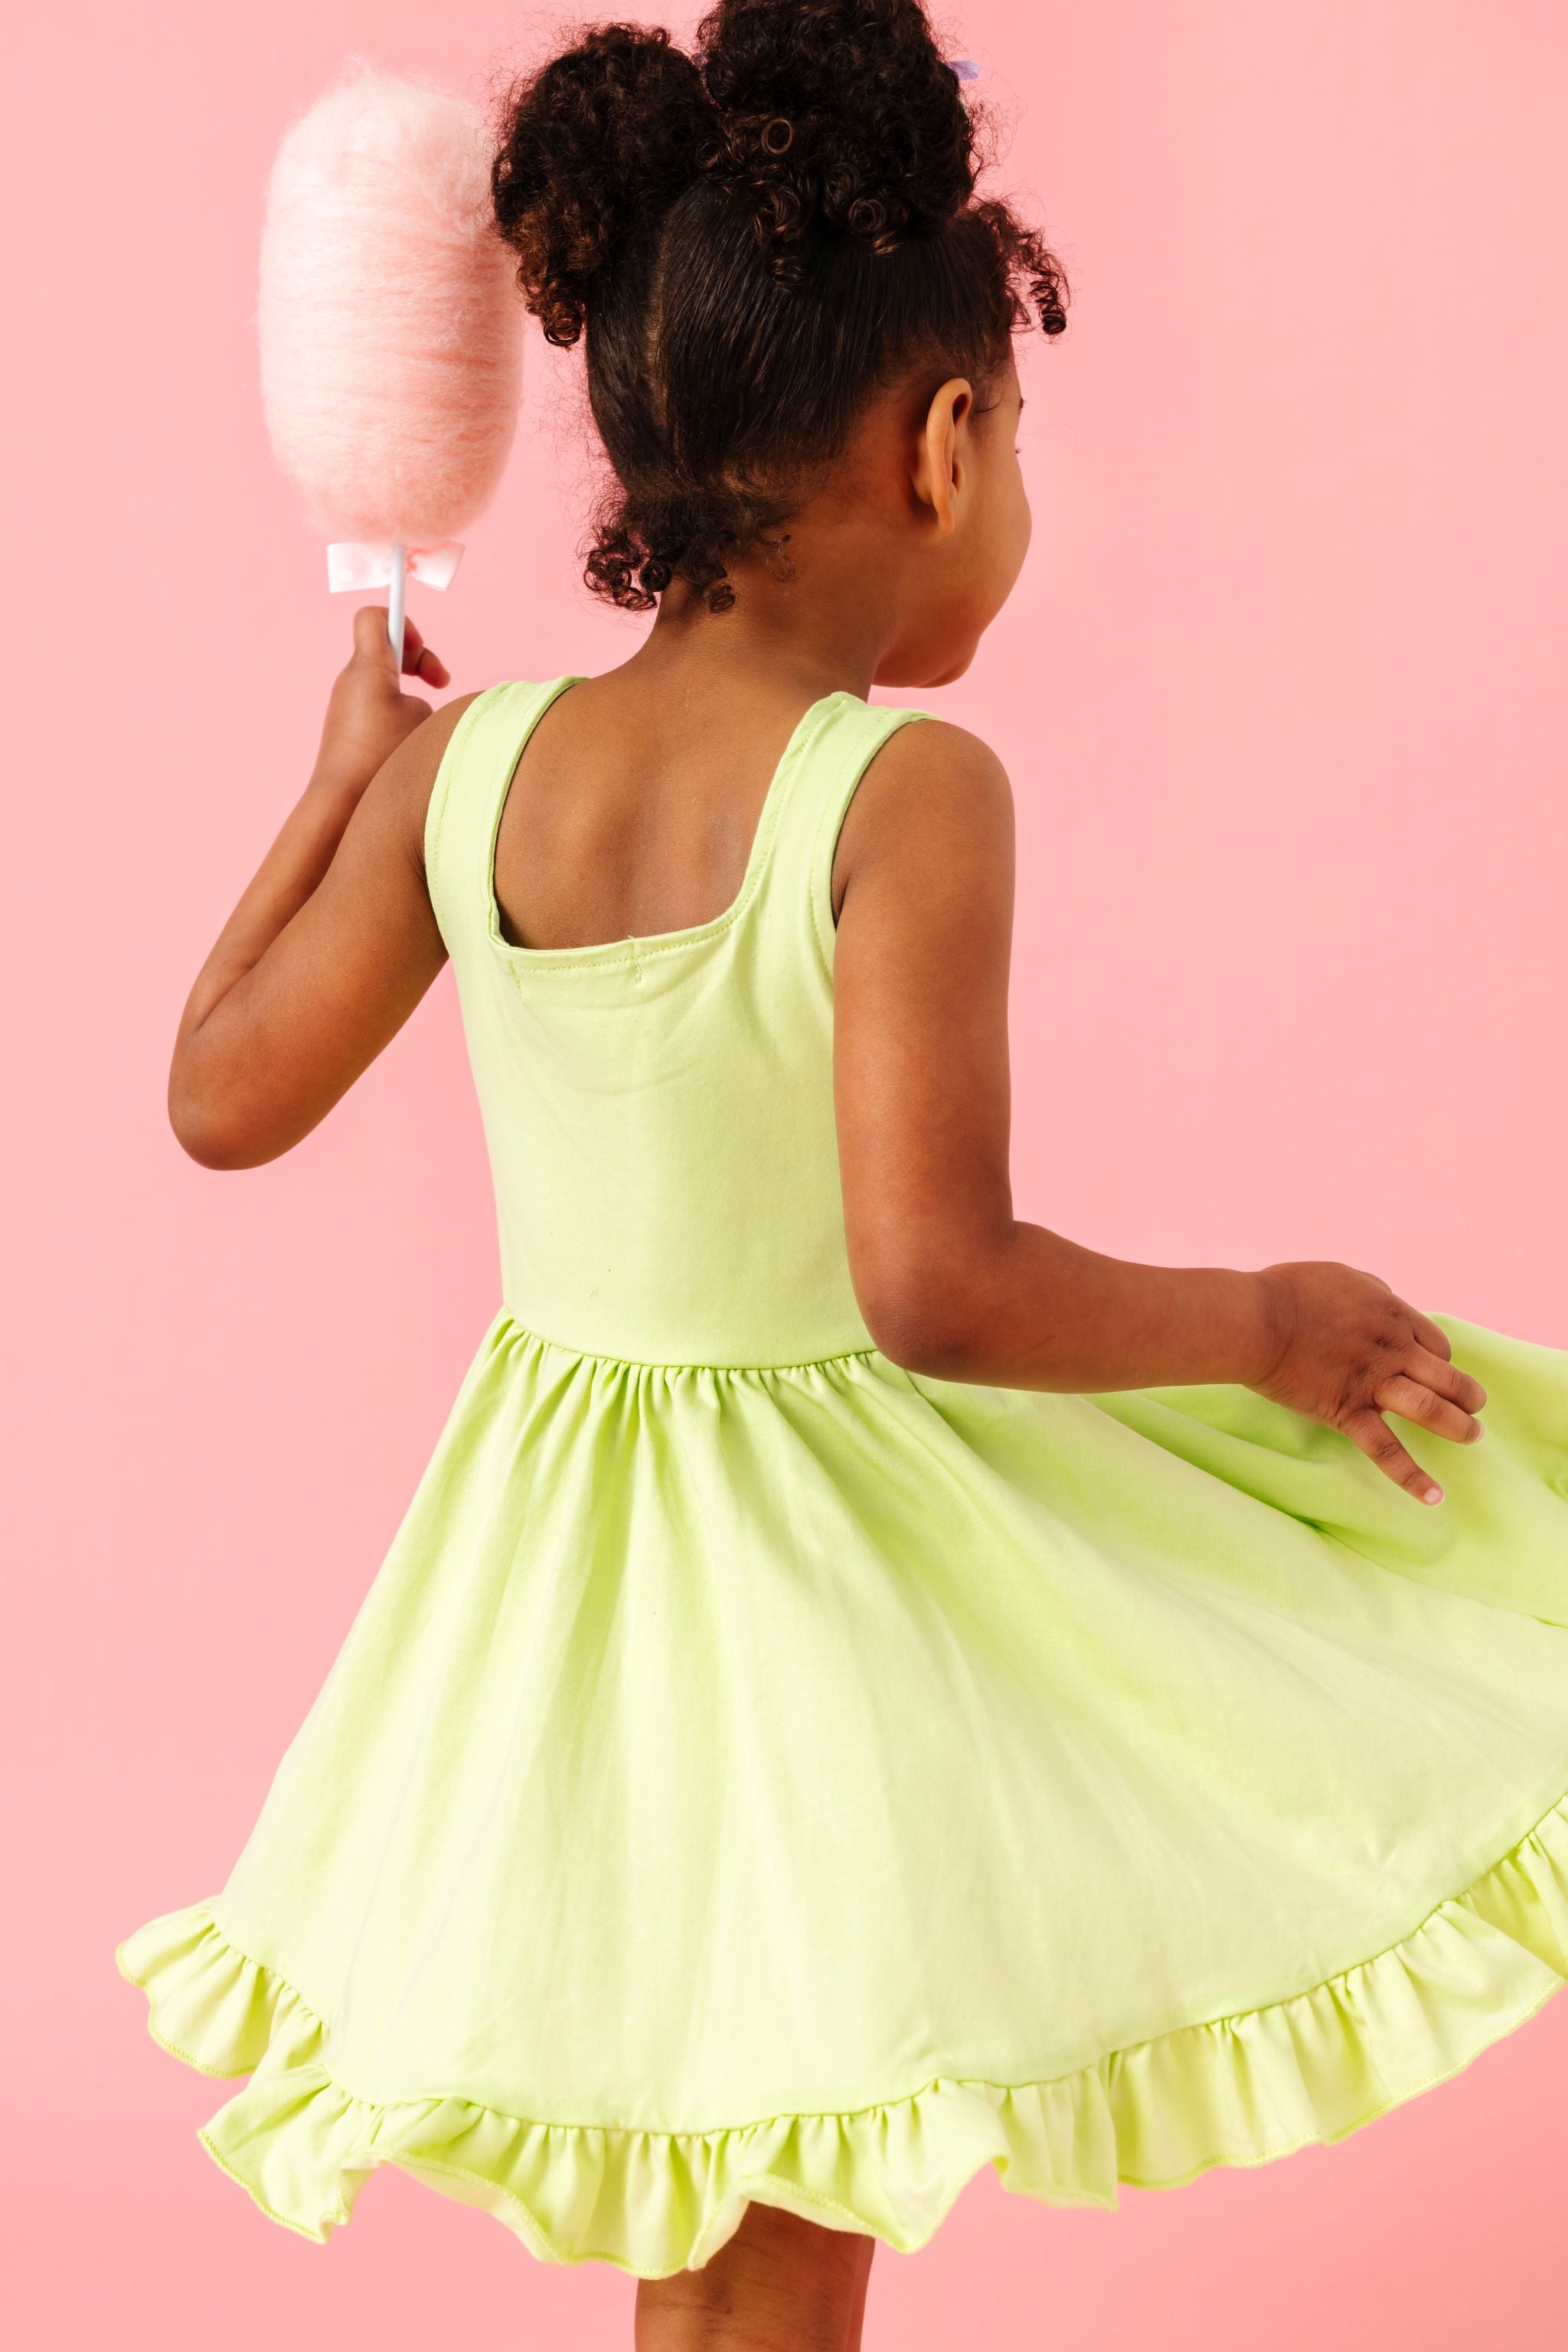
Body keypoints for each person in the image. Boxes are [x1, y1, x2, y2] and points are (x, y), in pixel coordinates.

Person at [119, 4, 1568, 2346]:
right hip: (803, 1592)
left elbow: (214, 1092)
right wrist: (1266, 1326)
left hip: (563, 1585)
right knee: (778, 2219)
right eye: (1019, 448)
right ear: (946, 439)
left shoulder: (471, 774)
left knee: (724, 2204)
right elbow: (933, 1283)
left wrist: (335, 788)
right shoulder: (902, 796)